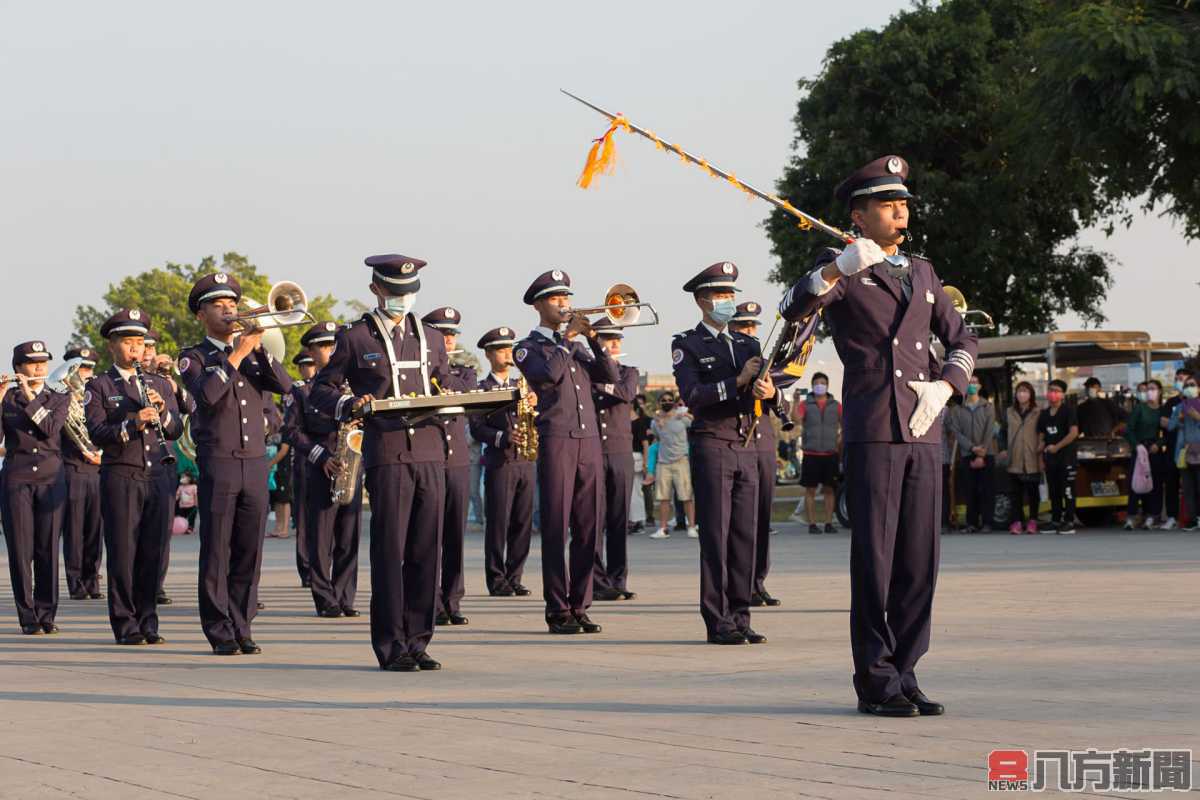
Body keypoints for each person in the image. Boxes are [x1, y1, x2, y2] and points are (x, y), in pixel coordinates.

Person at [779, 154, 978, 716]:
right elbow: (792, 310)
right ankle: (876, 679)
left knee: (920, 558)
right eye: (888, 204)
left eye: (903, 203)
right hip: (873, 427)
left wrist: (947, 385)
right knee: (877, 558)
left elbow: (963, 338)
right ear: (859, 216)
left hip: (922, 426)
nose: (900, 211)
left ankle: (907, 668)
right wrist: (836, 269)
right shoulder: (842, 265)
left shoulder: (924, 273)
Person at [310, 254, 452, 671]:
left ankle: (419, 640)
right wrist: (351, 403)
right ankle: (391, 645)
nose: (402, 299)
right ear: (376, 289)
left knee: (427, 551)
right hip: (387, 451)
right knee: (391, 550)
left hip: (429, 449)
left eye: (409, 293)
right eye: (394, 292)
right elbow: (322, 389)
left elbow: (446, 383)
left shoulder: (431, 337)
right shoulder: (356, 337)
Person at [178, 271, 293, 655]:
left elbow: (285, 386)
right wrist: (238, 352)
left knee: (249, 549)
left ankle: (243, 624)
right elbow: (208, 395)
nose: (228, 310)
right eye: (218, 305)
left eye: (232, 304)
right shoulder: (192, 357)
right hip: (220, 462)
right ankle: (219, 628)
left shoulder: (254, 355)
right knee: (217, 550)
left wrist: (258, 347)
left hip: (255, 462)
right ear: (201, 314)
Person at [674, 260, 775, 647]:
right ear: (702, 300)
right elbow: (694, 395)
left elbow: (767, 391)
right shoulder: (687, 343)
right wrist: (738, 380)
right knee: (716, 537)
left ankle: (741, 615)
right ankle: (718, 620)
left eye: (732, 293)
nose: (729, 300)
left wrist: (770, 392)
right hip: (713, 444)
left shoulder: (749, 344)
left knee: (745, 536)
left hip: (746, 444)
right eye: (721, 294)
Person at [514, 269, 619, 635]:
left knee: (590, 527)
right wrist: (566, 338)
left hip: (589, 441)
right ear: (539, 304)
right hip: (557, 439)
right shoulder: (528, 347)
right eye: (557, 299)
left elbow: (612, 377)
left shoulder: (576, 345)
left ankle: (581, 603)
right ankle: (558, 608)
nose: (565, 304)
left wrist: (592, 339)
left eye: (567, 298)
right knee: (558, 526)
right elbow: (549, 377)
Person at [84, 309, 183, 645]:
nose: (135, 349)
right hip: (122, 475)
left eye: (140, 343)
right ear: (113, 346)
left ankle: (148, 621)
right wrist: (133, 422)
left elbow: (176, 429)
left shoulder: (157, 383)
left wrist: (164, 410)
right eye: (128, 342)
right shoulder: (99, 385)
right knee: (124, 553)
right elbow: (97, 432)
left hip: (159, 473)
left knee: (153, 552)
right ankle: (125, 624)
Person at [289, 322, 363, 618]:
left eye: (333, 345)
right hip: (321, 469)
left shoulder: (355, 390)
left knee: (349, 535)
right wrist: (321, 457)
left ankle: (346, 596)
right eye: (322, 346)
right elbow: (291, 432)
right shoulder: (303, 391)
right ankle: (325, 598)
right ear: (310, 351)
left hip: (352, 466)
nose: (330, 351)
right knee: (320, 538)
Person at [1, 340, 71, 635]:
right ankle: (27, 615)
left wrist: (30, 395)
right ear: (19, 368)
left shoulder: (59, 397)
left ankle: (46, 613)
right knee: (20, 550)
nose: (39, 367)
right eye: (32, 363)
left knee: (47, 549)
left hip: (50, 479)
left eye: (43, 362)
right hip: (17, 480)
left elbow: (50, 430)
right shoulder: (6, 399)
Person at [422, 306, 478, 627]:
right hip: (427, 456)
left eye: (453, 333)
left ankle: (452, 599)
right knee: (428, 534)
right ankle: (429, 600)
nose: (450, 339)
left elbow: (464, 392)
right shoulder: (416, 368)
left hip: (456, 458)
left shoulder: (464, 369)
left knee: (454, 532)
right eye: (444, 333)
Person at [469, 327, 535, 597]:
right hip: (500, 462)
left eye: (509, 349)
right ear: (488, 354)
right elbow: (476, 428)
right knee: (498, 523)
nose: (508, 354)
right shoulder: (483, 388)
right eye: (501, 350)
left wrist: (536, 403)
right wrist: (504, 437)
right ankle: (496, 579)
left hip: (526, 461)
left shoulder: (525, 385)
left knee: (522, 522)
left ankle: (515, 576)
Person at [728, 301, 783, 607]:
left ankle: (758, 580)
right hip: (741, 443)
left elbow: (781, 403)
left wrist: (774, 392)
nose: (749, 332)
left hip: (764, 445)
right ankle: (739, 582)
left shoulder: (766, 362)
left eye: (752, 327)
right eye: (742, 326)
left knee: (762, 518)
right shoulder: (731, 361)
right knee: (742, 522)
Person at [586, 318, 640, 602]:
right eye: (607, 338)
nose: (615, 343)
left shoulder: (629, 371)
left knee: (619, 519)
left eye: (617, 338)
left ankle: (618, 579)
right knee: (593, 518)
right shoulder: (586, 369)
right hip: (594, 451)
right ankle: (596, 579)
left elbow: (626, 393)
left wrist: (601, 386)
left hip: (620, 453)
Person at [142, 328, 188, 606]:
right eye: (141, 347)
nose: (147, 353)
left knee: (161, 530)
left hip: (164, 460)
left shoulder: (164, 382)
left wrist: (172, 381)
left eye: (149, 348)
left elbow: (191, 407)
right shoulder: (121, 382)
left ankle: (156, 584)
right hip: (134, 460)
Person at [60, 346, 104, 601]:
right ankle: (76, 582)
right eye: (81, 367)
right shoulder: (61, 396)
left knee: (95, 530)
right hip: (73, 469)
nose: (86, 372)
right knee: (74, 530)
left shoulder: (95, 395)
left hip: (98, 469)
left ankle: (92, 579)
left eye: (89, 368)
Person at [948, 375, 996, 532]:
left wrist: (982, 453)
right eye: (969, 383)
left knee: (987, 489)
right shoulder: (957, 409)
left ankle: (987, 522)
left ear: (980, 386)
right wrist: (971, 448)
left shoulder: (987, 407)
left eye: (975, 382)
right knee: (970, 490)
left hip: (987, 453)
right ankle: (971, 523)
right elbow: (955, 431)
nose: (972, 385)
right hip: (967, 454)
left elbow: (990, 430)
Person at [285, 348, 317, 586]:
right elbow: (291, 428)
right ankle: (307, 569)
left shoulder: (336, 386)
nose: (308, 369)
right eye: (304, 366)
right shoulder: (298, 390)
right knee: (305, 518)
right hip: (306, 460)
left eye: (311, 365)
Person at [797, 372, 841, 535]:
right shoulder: (805, 404)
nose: (820, 385)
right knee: (810, 490)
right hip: (811, 454)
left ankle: (829, 523)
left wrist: (840, 439)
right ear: (812, 385)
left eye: (823, 383)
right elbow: (796, 419)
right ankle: (812, 524)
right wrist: (795, 401)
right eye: (817, 383)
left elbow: (845, 423)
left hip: (830, 454)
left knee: (830, 490)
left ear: (827, 386)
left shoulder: (836, 405)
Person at [648, 391, 696, 539]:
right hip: (663, 462)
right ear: (659, 402)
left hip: (681, 460)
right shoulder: (655, 422)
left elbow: (696, 422)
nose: (667, 402)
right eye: (664, 400)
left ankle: (692, 527)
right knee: (663, 498)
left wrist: (688, 415)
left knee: (686, 496)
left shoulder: (681, 417)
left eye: (670, 400)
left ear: (674, 402)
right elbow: (656, 439)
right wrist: (659, 419)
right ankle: (662, 528)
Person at [1037, 379, 1079, 534]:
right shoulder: (1044, 414)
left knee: (1067, 490)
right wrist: (1040, 454)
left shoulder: (1069, 411)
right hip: (1051, 460)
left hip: (1066, 458)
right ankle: (1055, 520)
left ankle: (1069, 521)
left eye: (1056, 390)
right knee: (1054, 491)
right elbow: (1042, 437)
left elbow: (1073, 433)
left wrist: (1057, 447)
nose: (1052, 393)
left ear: (1062, 394)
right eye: (1050, 390)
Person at [1124, 379, 1165, 529]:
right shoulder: (1140, 408)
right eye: (1147, 389)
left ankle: (1152, 515)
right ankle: (1131, 516)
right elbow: (1128, 430)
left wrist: (1158, 444)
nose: (1149, 391)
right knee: (1136, 483)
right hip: (1140, 450)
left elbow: (1167, 432)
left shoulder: (1162, 410)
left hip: (1154, 450)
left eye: (1153, 388)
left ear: (1160, 391)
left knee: (1154, 483)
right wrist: (1137, 445)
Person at [1002, 381, 1042, 535]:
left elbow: (1042, 433)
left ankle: (1033, 521)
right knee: (1015, 493)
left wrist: (1040, 446)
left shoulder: (1038, 412)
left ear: (1031, 394)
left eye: (1025, 391)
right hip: (1015, 456)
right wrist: (1004, 449)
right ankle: (1017, 521)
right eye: (1019, 391)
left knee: (1033, 493)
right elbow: (1002, 432)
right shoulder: (1009, 412)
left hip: (1032, 457)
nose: (1022, 394)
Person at [1159, 367, 1193, 530]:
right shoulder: (1171, 402)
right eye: (1177, 379)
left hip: (1192, 449)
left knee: (1192, 484)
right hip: (1173, 448)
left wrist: (1176, 423)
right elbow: (1164, 422)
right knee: (1171, 483)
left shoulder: (1195, 401)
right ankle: (1172, 516)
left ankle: (1194, 517)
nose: (1180, 382)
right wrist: (1182, 423)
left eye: (1183, 379)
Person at [1167, 375, 1200, 531]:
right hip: (1184, 452)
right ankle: (1193, 519)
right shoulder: (1181, 406)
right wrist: (1179, 419)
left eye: (1192, 385)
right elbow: (1170, 426)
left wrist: (1198, 417)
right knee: (1188, 488)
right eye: (1187, 385)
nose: (1189, 387)